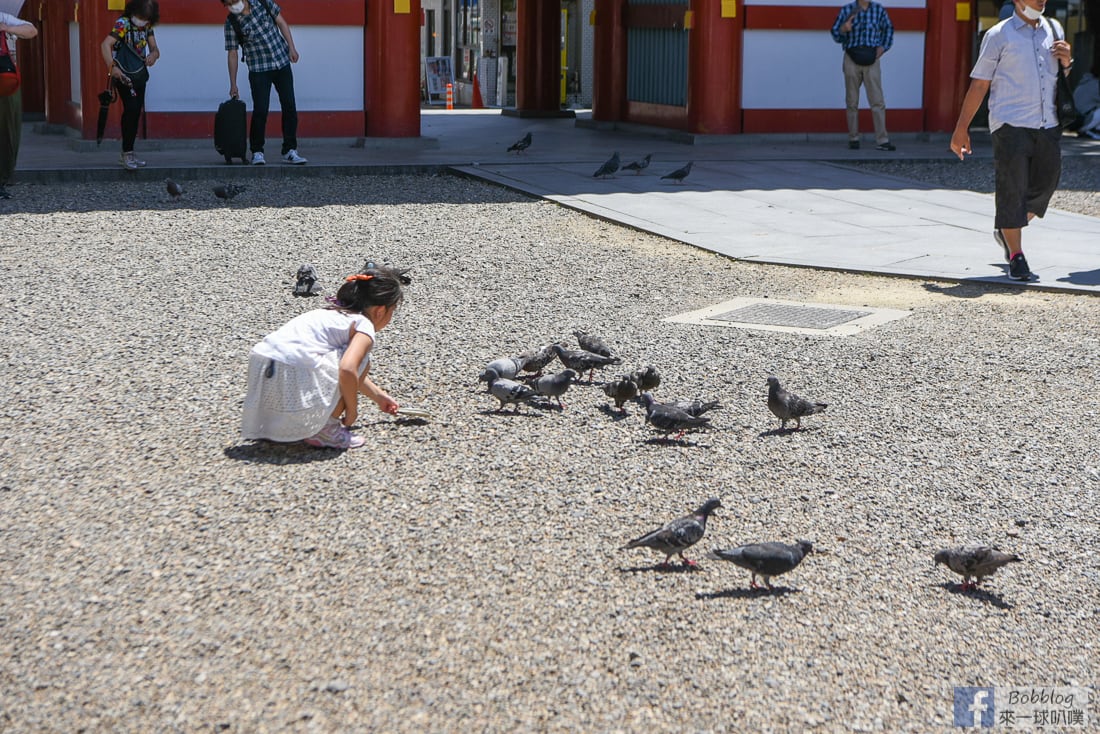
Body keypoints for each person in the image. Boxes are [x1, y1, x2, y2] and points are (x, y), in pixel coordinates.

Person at [949, 0, 1072, 281]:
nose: (1041, 0)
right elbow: (980, 83)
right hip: (1009, 124)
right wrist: (961, 128)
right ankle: (1017, 256)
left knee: (1046, 184)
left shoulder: (1054, 28)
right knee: (1012, 190)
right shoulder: (998, 35)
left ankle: (1006, 227)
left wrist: (1067, 61)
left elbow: (1057, 79)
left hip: (1048, 124)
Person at [241, 266, 409, 449]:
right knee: (362, 360)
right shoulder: (364, 325)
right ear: (380, 311)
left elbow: (348, 371)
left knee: (348, 362)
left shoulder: (329, 313)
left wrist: (379, 397)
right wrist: (352, 411)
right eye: (392, 310)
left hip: (263, 362)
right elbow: (347, 369)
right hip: (291, 368)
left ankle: (272, 427)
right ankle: (327, 429)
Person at [221, 0, 307, 166]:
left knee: (289, 106)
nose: (233, 6)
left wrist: (292, 47)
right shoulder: (231, 22)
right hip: (259, 69)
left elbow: (281, 22)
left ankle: (290, 150)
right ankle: (257, 151)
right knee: (261, 110)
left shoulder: (263, 3)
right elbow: (232, 53)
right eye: (228, 4)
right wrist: (233, 83)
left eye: (234, 1)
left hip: (281, 62)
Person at [100, 1, 160, 171]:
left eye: (145, 18)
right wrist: (112, 67)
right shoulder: (123, 23)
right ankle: (126, 153)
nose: (142, 21)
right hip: (123, 74)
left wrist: (153, 56)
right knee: (131, 109)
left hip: (139, 74)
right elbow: (105, 45)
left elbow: (155, 48)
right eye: (140, 17)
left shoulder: (147, 27)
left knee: (135, 112)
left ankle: (130, 152)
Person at [831, 0, 896, 151]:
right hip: (851, 57)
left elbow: (888, 29)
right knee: (852, 101)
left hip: (872, 58)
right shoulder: (848, 10)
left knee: (877, 101)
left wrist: (883, 47)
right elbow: (835, 33)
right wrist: (843, 29)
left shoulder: (878, 10)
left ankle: (882, 140)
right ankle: (853, 138)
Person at [0, 10, 38, 199]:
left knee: (8, 131)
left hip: (4, 81)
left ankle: (2, 178)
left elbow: (31, 31)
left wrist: (6, 27)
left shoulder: (2, 18)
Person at [1073, 66, 1100, 139]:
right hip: (1083, 120)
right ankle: (1089, 131)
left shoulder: (1085, 82)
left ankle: (1092, 130)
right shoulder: (1095, 84)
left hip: (1076, 121)